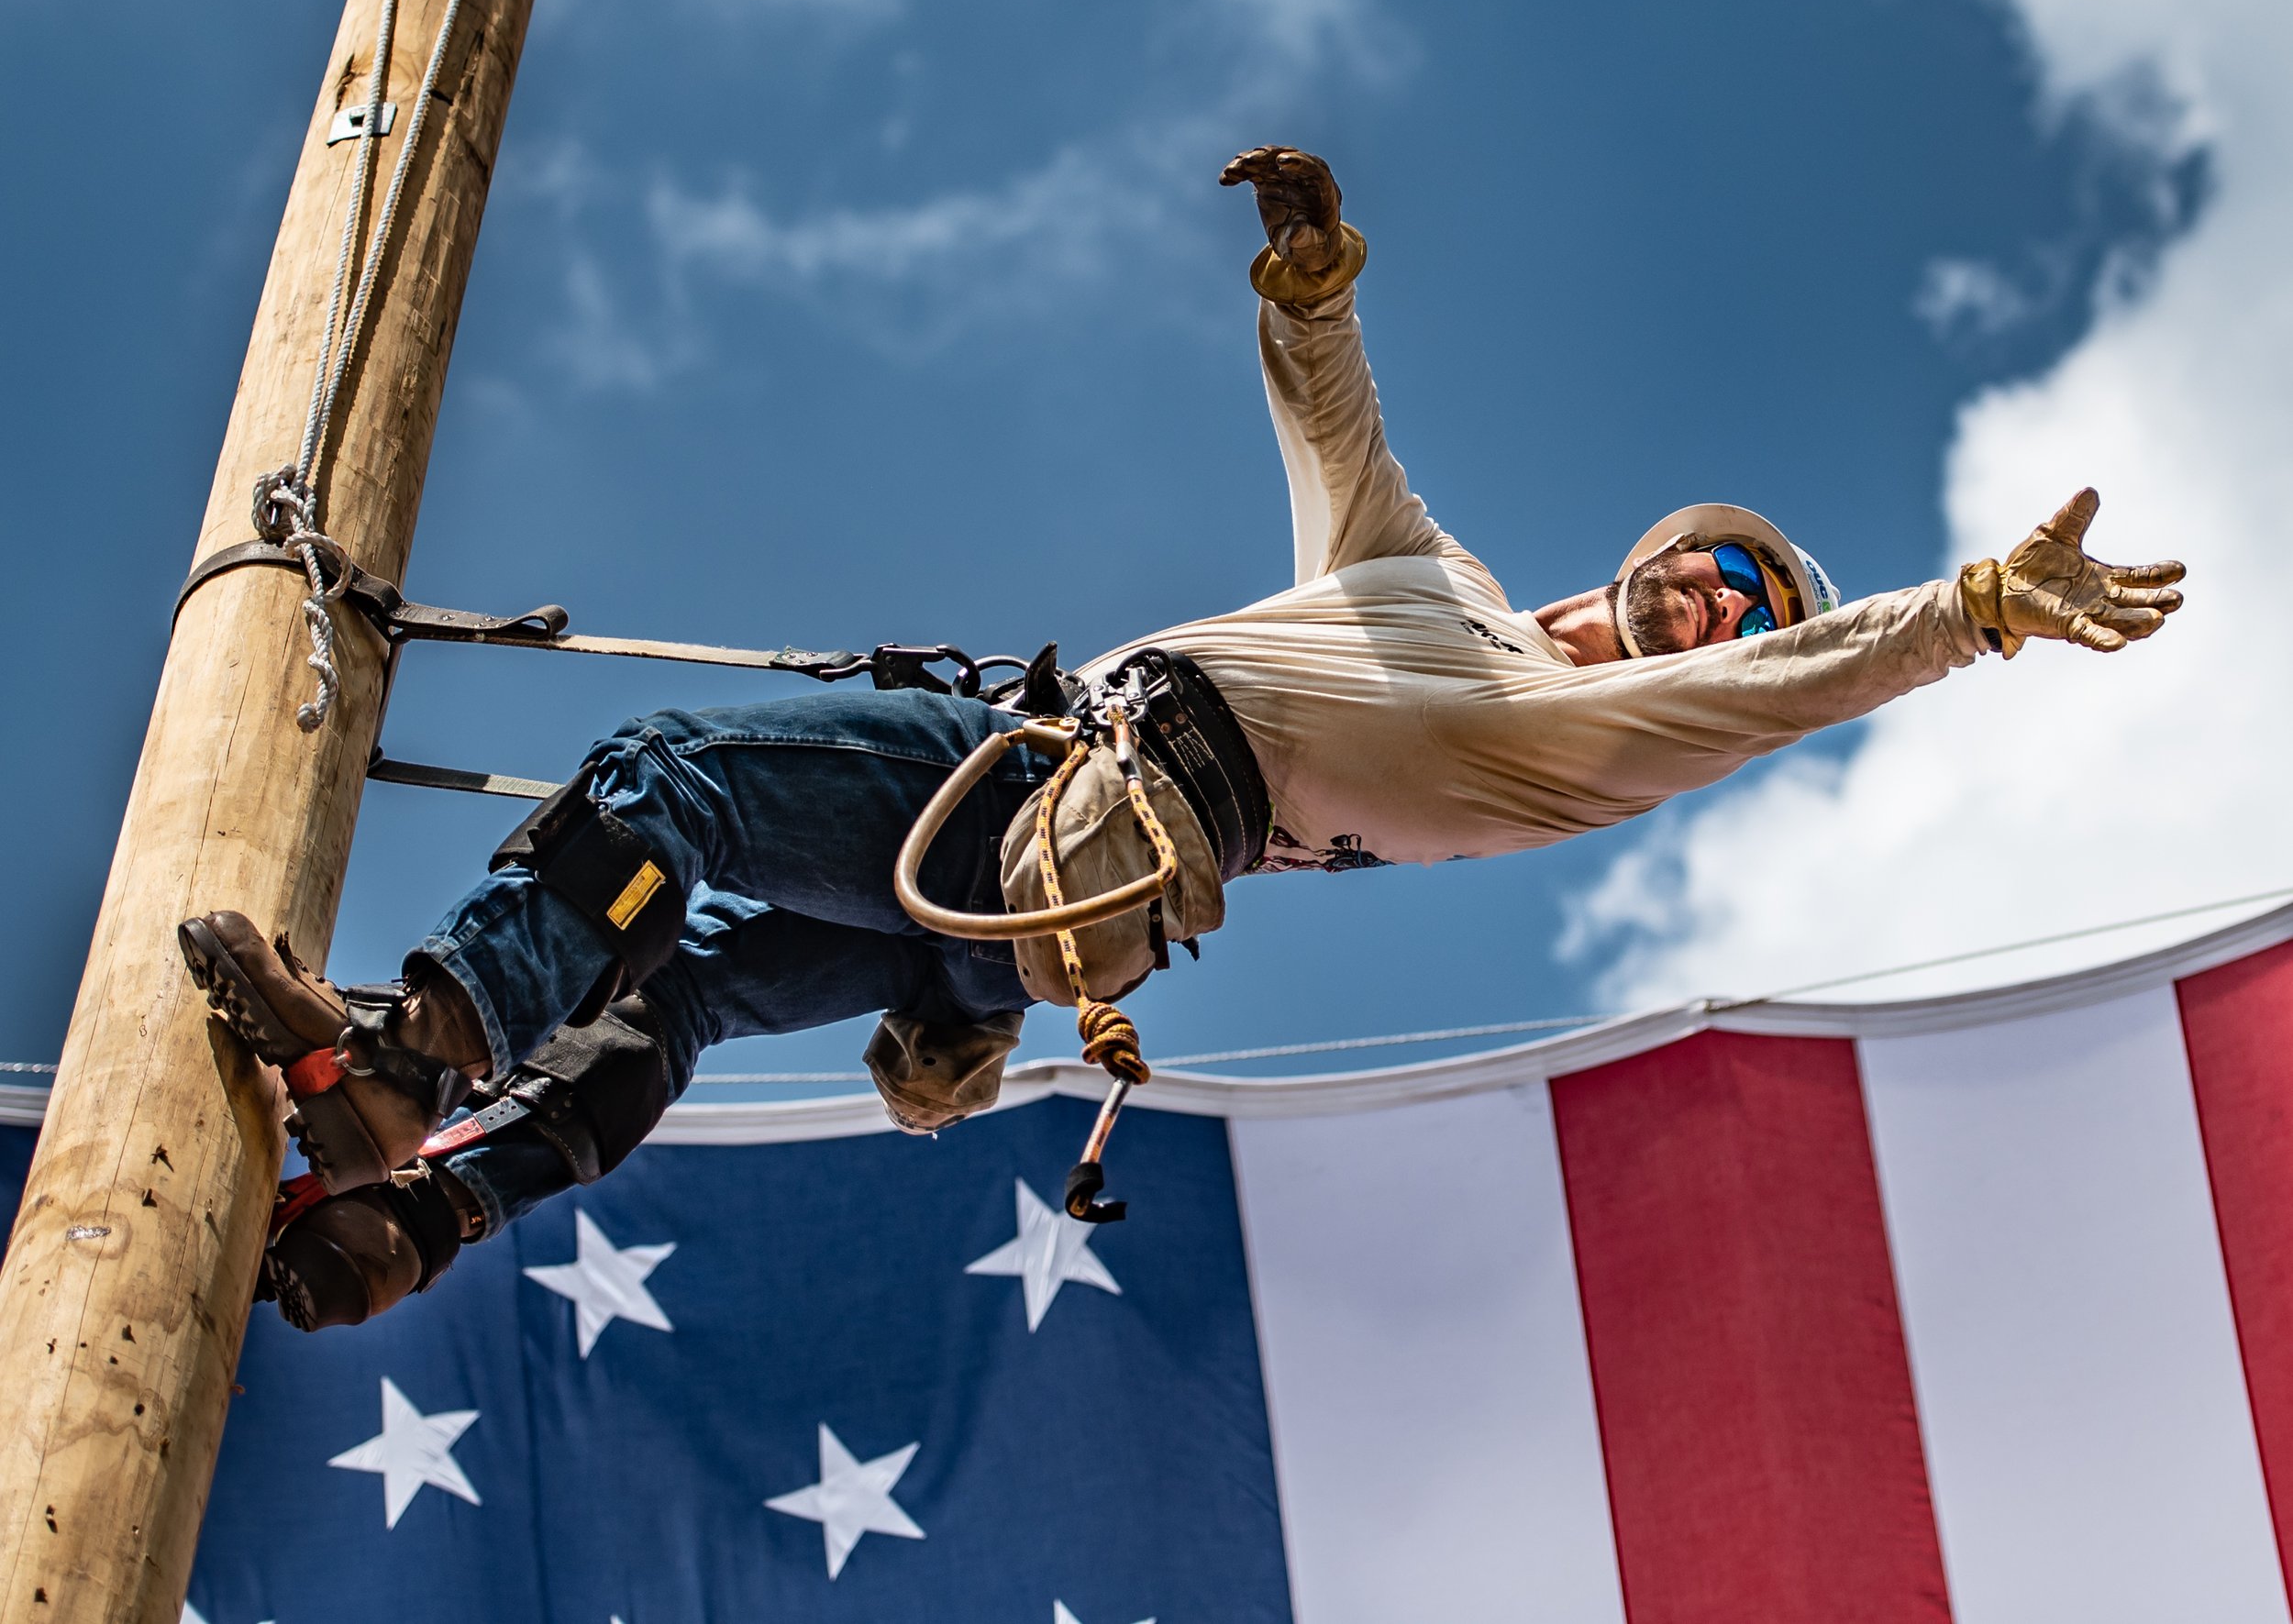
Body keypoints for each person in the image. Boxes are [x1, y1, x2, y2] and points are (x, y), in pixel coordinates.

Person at [181, 147, 2186, 1331]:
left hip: (1077, 822)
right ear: (1649, 557)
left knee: (664, 789)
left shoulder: (1576, 742)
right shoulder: (1443, 596)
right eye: (1720, 577)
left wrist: (1965, 618)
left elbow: (1781, 692)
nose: (1728, 620)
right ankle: (425, 1212)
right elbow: (1341, 448)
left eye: (1755, 614)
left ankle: (412, 1052)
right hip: (1043, 894)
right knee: (684, 996)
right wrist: (1308, 290)